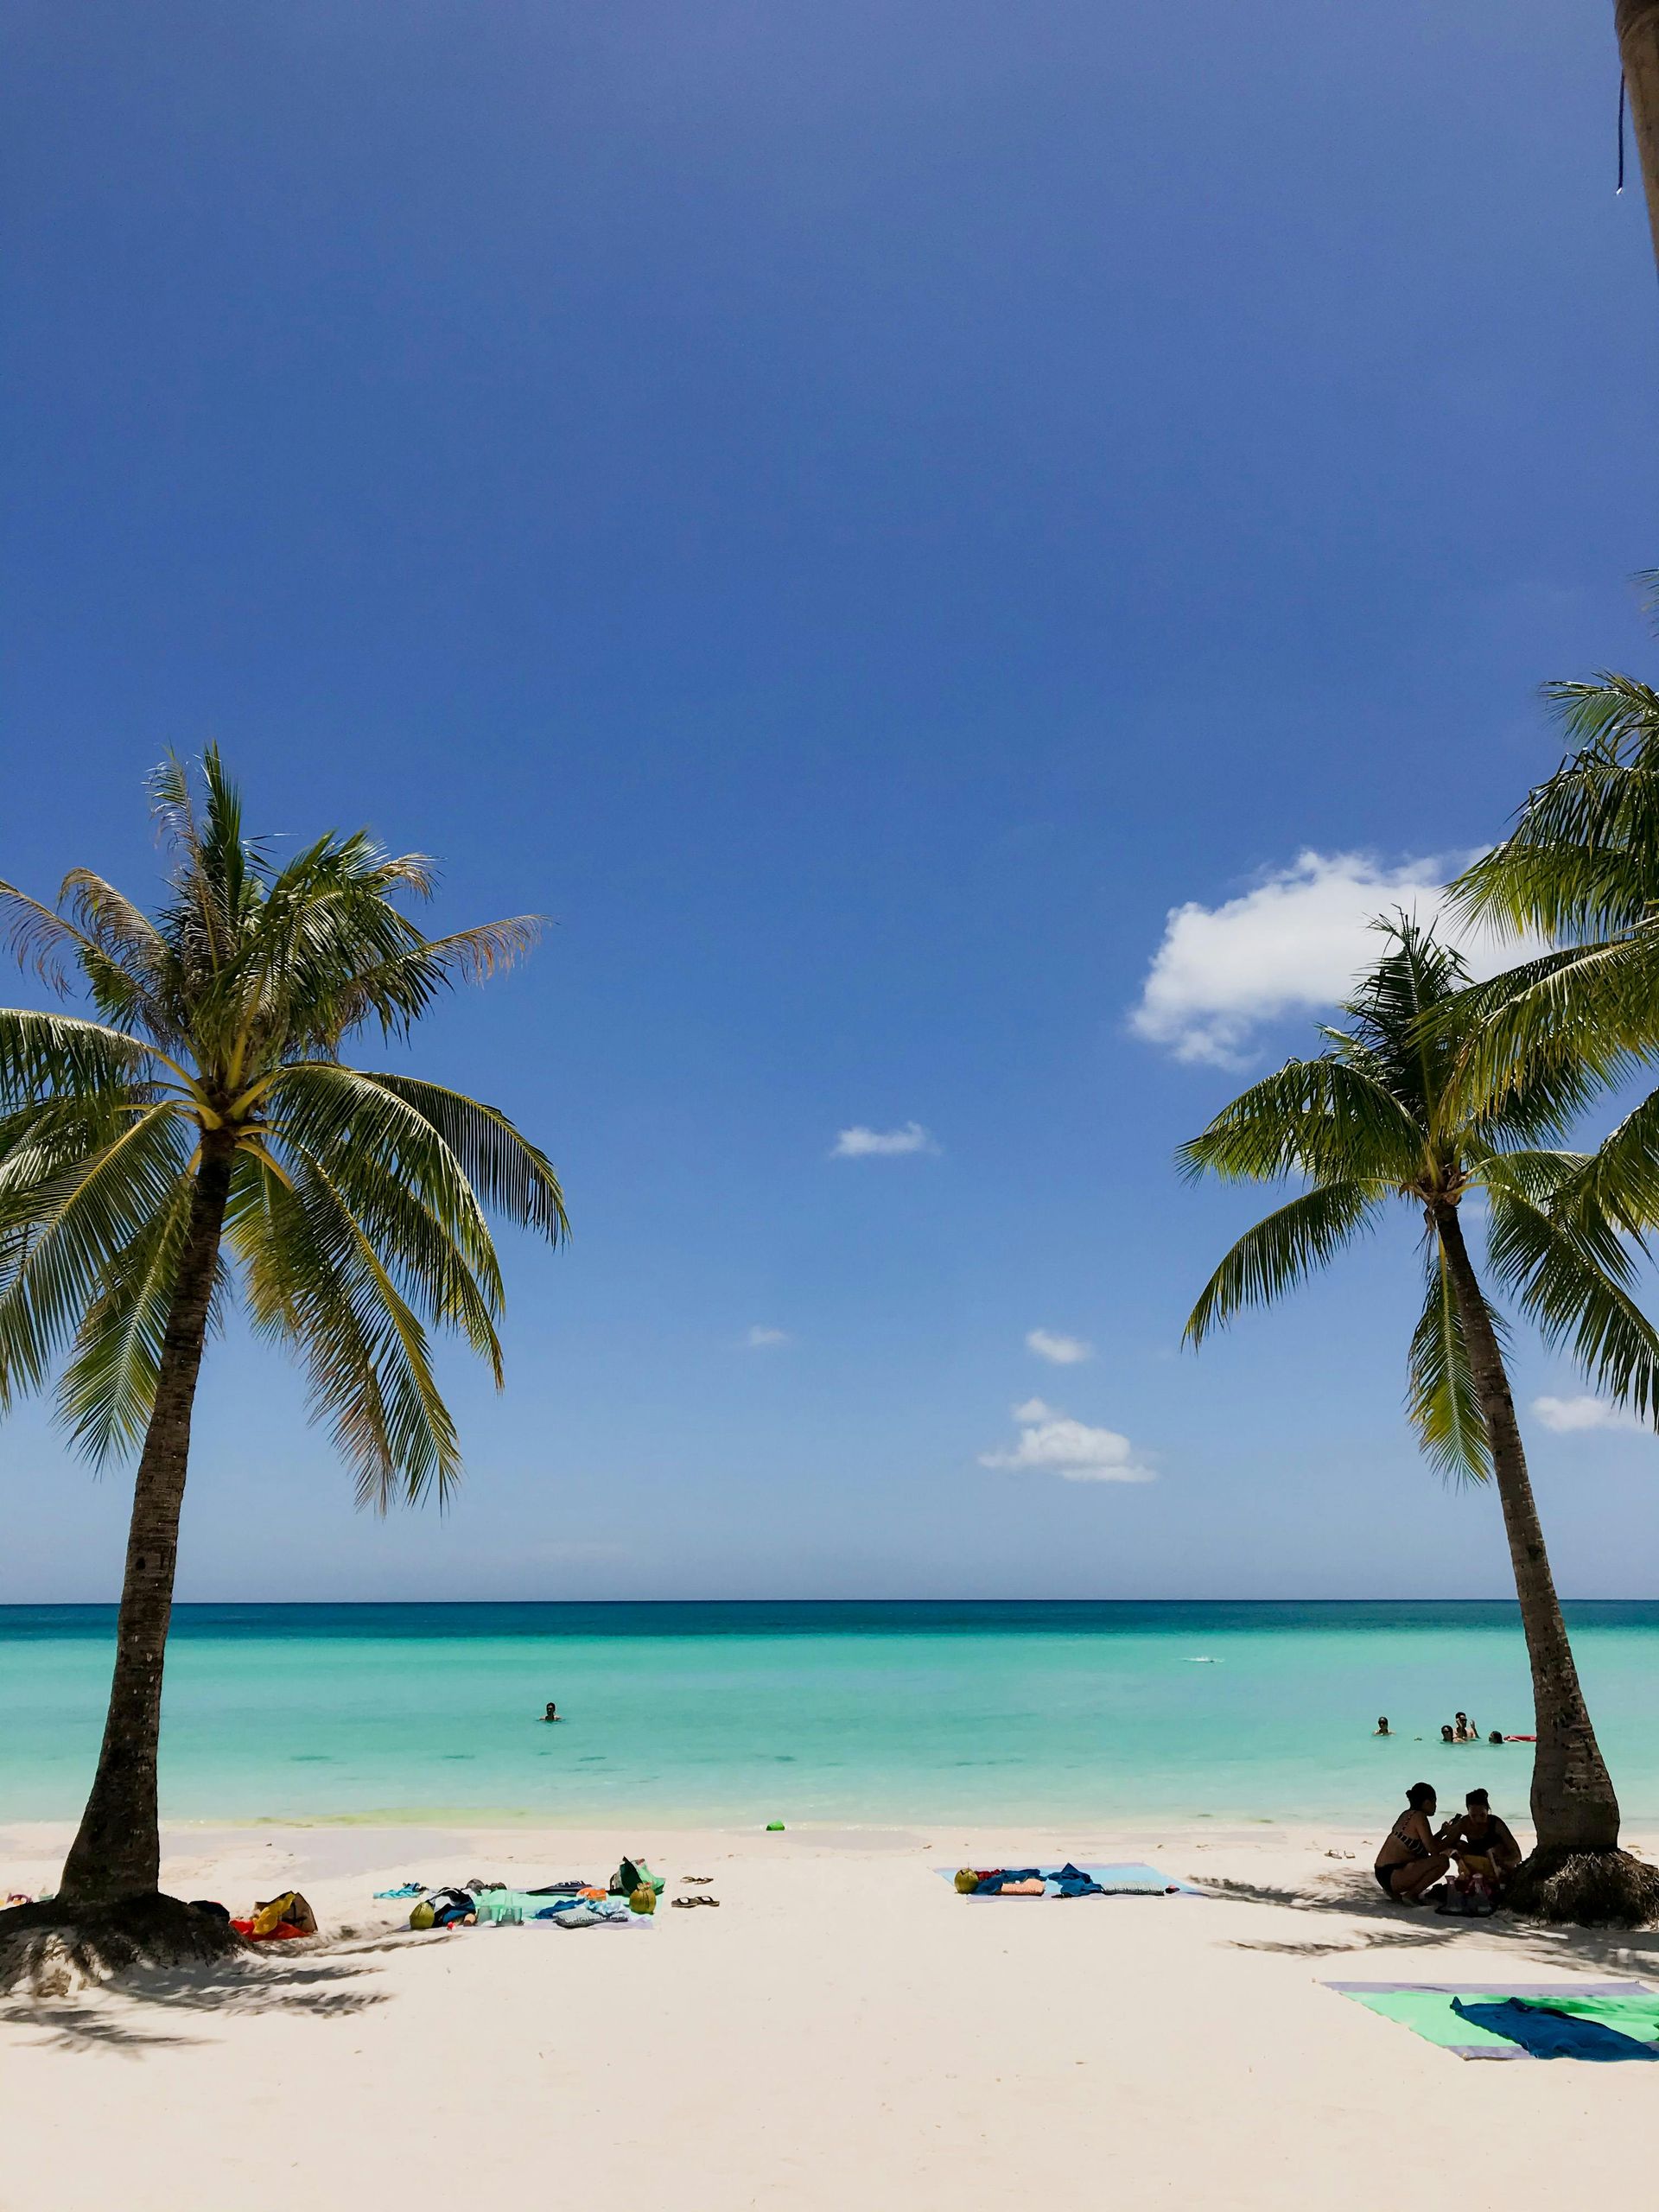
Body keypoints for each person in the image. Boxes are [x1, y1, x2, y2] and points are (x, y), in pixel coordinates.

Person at [1375, 1783, 1452, 1904]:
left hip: (1384, 1873)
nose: (1436, 1806)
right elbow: (1434, 1851)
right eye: (1434, 1802)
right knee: (1443, 1861)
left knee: (1431, 1859)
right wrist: (1452, 1837)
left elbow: (1424, 1845)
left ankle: (1398, 1893)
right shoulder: (1419, 1817)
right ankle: (1411, 1895)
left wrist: (1442, 1833)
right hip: (1393, 1875)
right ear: (1427, 1802)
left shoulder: (1407, 1814)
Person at [1439, 1788, 1522, 1898]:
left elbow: (1517, 1856)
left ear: (1488, 1810)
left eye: (1482, 1815)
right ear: (1468, 1812)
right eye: (1473, 1816)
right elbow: (1444, 1846)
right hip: (1477, 1864)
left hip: (1497, 1867)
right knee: (1457, 1845)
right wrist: (1442, 1833)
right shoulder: (1464, 1823)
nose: (1478, 1820)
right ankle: (1468, 1877)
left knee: (1496, 1848)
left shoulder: (1496, 1824)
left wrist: (1503, 1863)